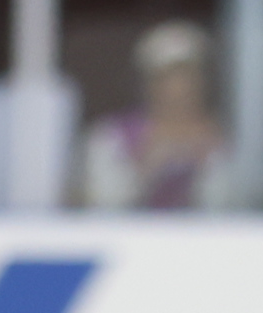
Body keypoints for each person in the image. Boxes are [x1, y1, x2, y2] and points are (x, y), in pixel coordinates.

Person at [80, 22, 229, 214]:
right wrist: (146, 166)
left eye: (189, 77)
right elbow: (100, 207)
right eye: (167, 78)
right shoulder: (110, 136)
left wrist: (208, 164)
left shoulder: (222, 137)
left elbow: (232, 210)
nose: (180, 89)